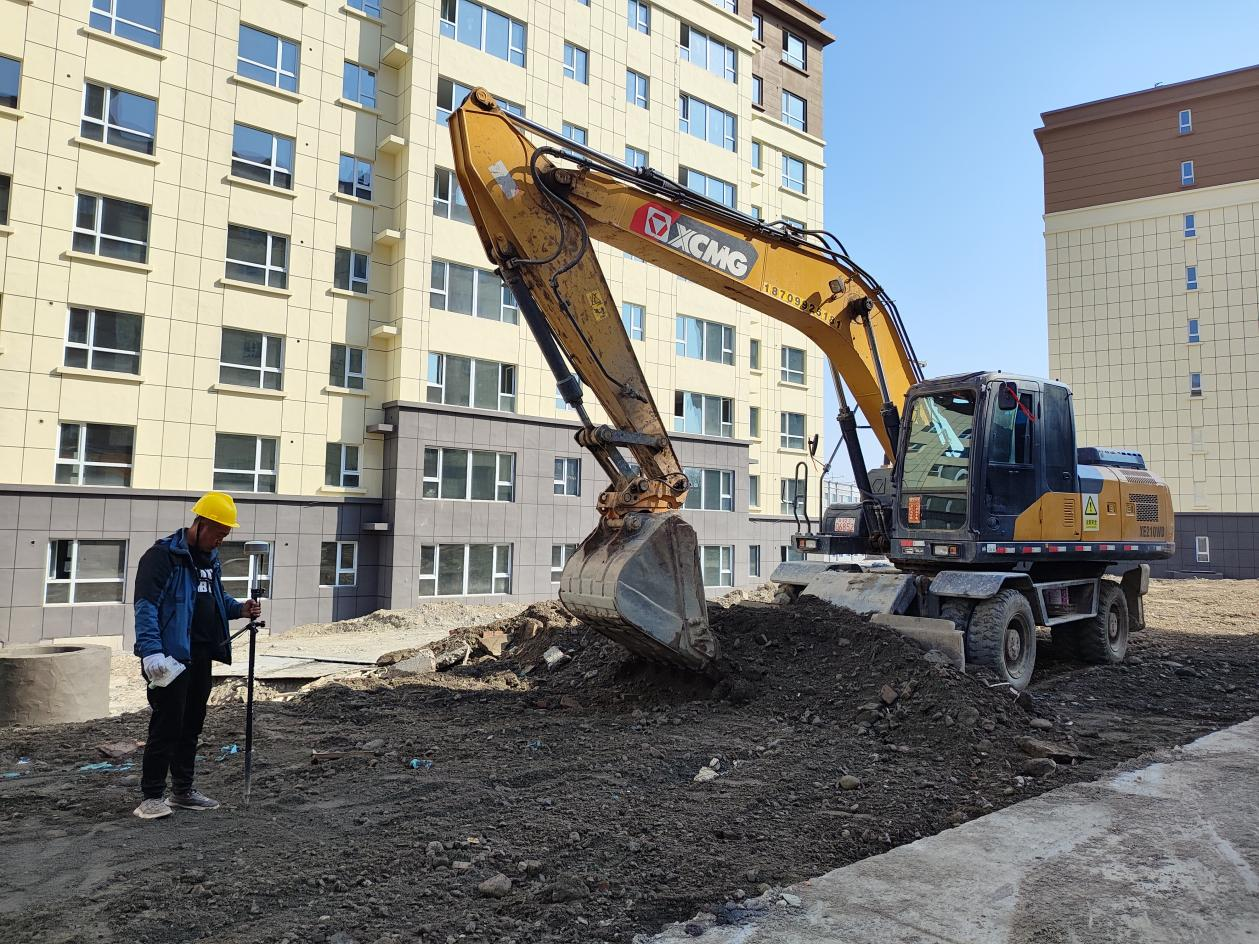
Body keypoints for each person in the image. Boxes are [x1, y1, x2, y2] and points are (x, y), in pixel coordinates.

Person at [131, 491, 261, 819]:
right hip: (170, 659)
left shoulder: (210, 560)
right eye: (218, 533)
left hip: (201, 655)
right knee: (166, 726)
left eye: (225, 535)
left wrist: (240, 609)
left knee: (191, 726)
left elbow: (214, 600)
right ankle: (151, 797)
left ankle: (182, 791)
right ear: (200, 524)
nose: (220, 541)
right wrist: (151, 652)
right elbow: (146, 607)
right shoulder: (163, 557)